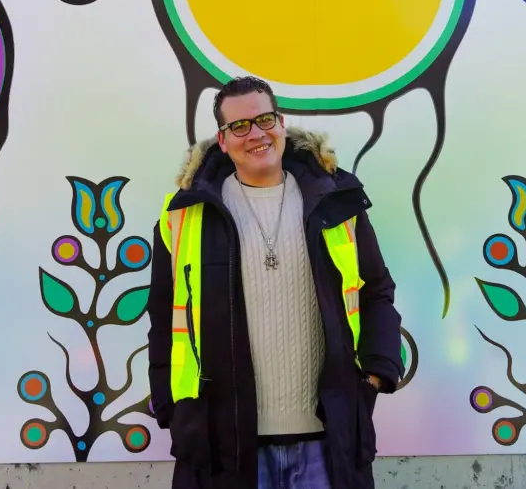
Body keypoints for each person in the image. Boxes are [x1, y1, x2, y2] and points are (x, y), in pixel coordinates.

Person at [146, 76, 403, 489]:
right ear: (223, 139)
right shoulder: (186, 214)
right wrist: (170, 406)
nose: (256, 134)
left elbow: (376, 291)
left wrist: (375, 373)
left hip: (328, 438)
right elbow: (163, 313)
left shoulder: (335, 200)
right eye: (240, 126)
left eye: (265, 119)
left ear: (281, 123)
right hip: (225, 444)